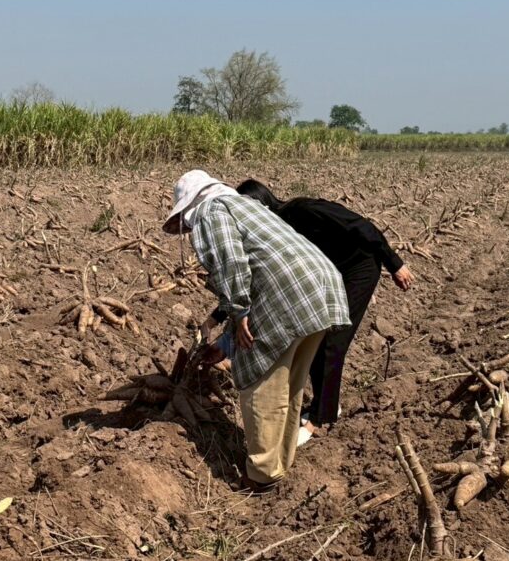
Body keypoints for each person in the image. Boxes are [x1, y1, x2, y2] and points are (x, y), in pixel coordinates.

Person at [163, 170, 350, 492]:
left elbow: (231, 263)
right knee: (289, 384)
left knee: (261, 386)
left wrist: (239, 312)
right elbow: (259, 259)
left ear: (190, 206)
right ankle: (280, 462)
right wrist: (225, 344)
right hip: (321, 287)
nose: (189, 230)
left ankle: (261, 475)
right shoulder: (247, 206)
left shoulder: (210, 212)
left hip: (287, 295)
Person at [208, 179, 413, 444]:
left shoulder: (303, 210)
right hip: (329, 275)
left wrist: (394, 263)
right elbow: (252, 282)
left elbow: (361, 225)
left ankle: (319, 418)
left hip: (358, 268)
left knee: (332, 339)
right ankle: (328, 405)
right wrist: (217, 317)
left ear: (259, 204)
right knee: (314, 333)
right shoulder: (273, 234)